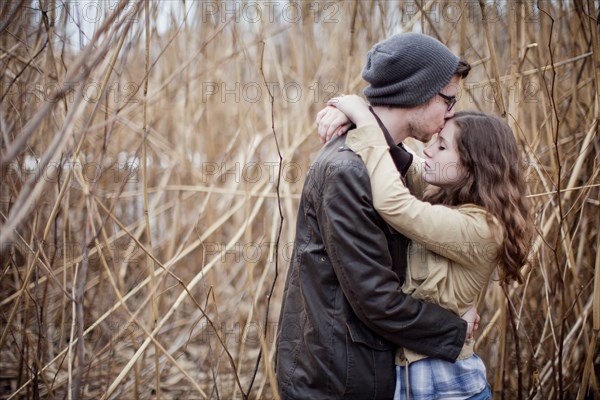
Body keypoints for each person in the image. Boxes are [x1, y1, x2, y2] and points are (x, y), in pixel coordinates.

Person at [275, 33, 474, 399]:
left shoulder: (384, 164)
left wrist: (354, 108)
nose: (450, 114)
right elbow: (376, 300)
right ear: (418, 91)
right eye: (448, 100)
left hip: (353, 368)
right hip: (338, 381)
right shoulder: (348, 170)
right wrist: (454, 330)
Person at [317, 95, 533, 399]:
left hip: (450, 386)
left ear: (474, 167)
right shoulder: (446, 195)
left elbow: (395, 204)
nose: (428, 150)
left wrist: (365, 121)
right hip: (411, 383)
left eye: (442, 146)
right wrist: (354, 114)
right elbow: (401, 164)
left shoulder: (483, 229)